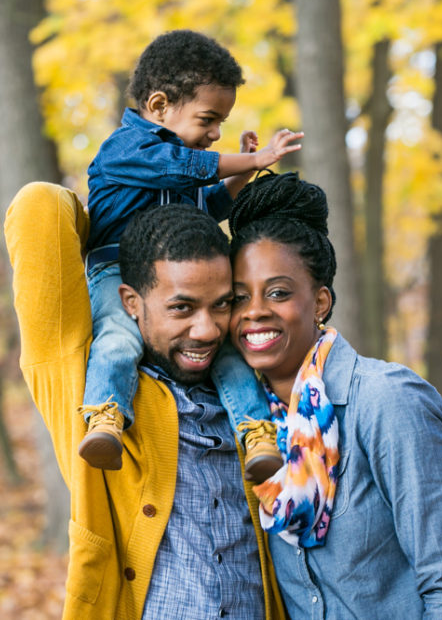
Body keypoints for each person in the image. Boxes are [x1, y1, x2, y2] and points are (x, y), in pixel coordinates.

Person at [4, 181, 442, 619]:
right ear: (132, 302)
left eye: (221, 303)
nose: (209, 328)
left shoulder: (264, 407)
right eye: (181, 306)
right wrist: (130, 210)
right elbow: (38, 210)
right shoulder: (99, 394)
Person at [226, 171, 442, 619]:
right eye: (238, 298)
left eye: (278, 293)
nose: (254, 312)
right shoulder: (246, 426)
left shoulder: (385, 401)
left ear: (321, 302)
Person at [80, 29, 302, 479]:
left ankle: (255, 432)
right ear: (160, 106)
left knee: (225, 350)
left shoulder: (190, 172)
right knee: (119, 338)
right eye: (208, 119)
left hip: (181, 285)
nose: (216, 132)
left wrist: (239, 174)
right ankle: (105, 417)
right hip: (116, 269)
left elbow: (212, 205)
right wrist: (254, 161)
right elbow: (184, 168)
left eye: (221, 121)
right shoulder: (126, 149)